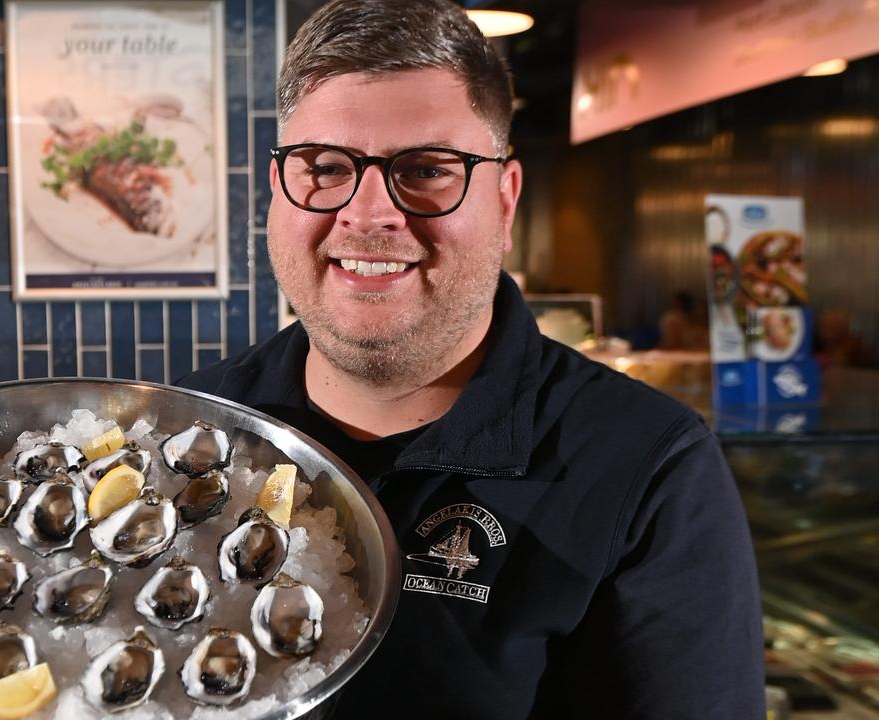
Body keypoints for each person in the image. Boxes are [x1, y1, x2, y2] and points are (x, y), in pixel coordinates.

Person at [178, 1, 764, 717]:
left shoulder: (649, 468)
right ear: (278, 192)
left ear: (506, 199)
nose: (368, 214)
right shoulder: (187, 431)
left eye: (427, 168)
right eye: (325, 167)